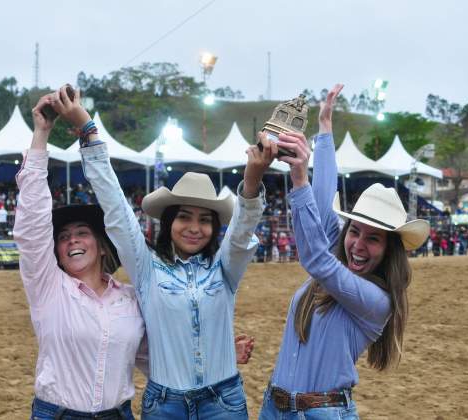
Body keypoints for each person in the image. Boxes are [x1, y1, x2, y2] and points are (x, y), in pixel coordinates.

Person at [49, 85, 274, 419]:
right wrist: (88, 132)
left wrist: (252, 182)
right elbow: (115, 208)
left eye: (204, 220)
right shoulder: (146, 267)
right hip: (164, 405)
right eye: (184, 217)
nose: (194, 227)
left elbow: (241, 235)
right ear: (168, 222)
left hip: (222, 401)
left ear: (215, 228)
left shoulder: (225, 268)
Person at [259, 84, 430, 419]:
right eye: (355, 231)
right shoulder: (341, 270)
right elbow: (324, 207)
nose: (358, 244)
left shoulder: (376, 300)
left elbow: (316, 260)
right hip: (275, 406)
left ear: (388, 251)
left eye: (374, 238)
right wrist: (325, 130)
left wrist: (298, 178)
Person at [14, 94, 145, 420]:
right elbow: (32, 225)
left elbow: (154, 357)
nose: (71, 238)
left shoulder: (132, 299)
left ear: (101, 245)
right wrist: (41, 133)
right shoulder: (48, 287)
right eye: (63, 236)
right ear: (56, 250)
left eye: (82, 232)